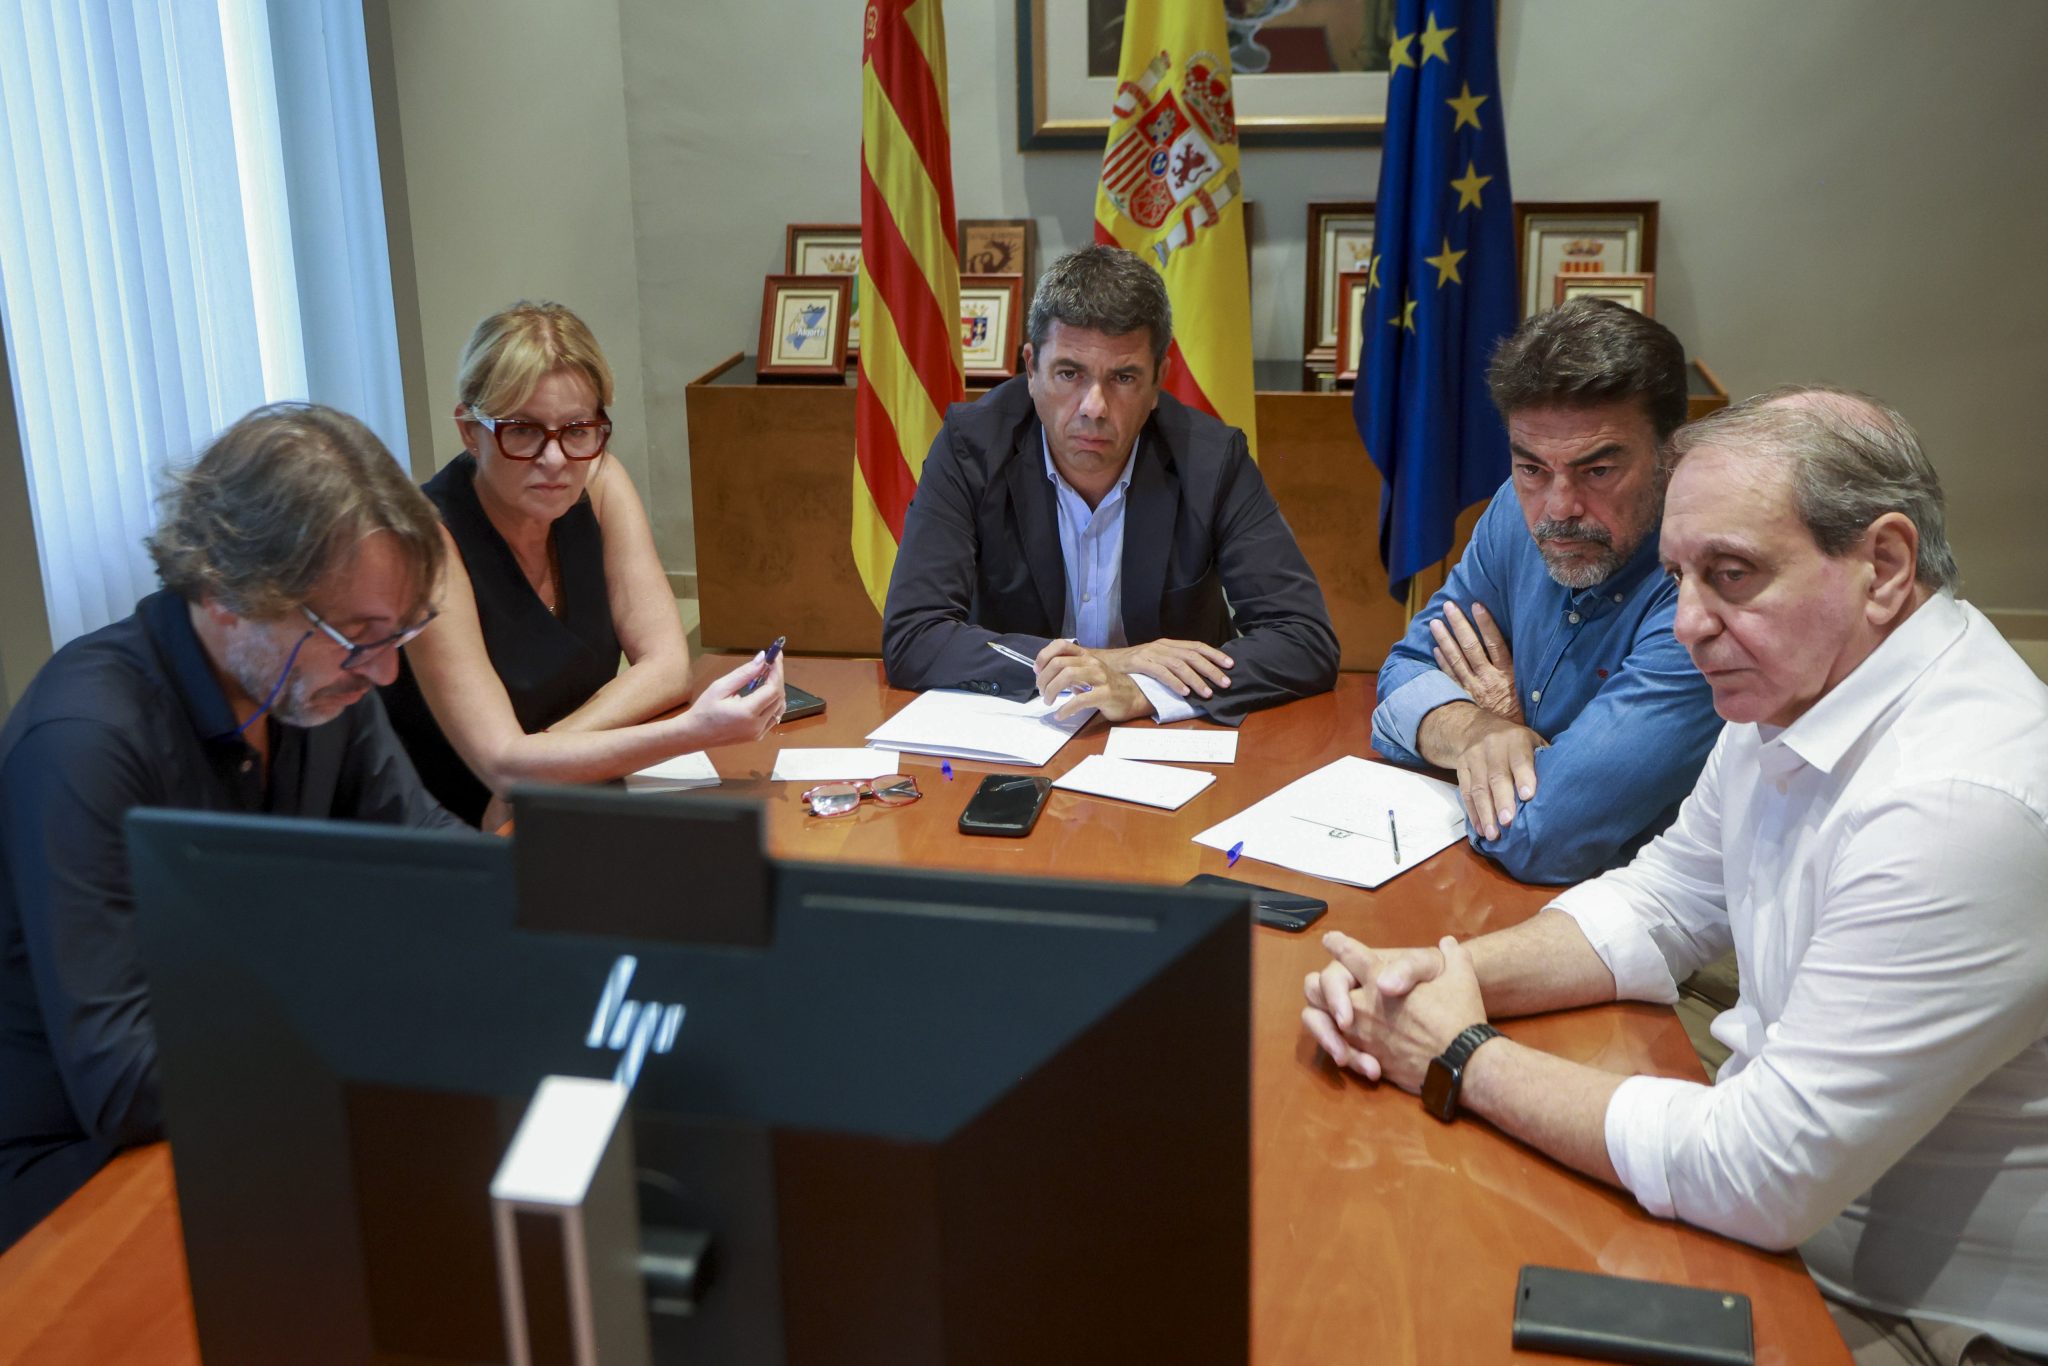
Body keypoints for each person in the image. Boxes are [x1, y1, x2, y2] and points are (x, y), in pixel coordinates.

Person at [1305, 389, 2048, 1363]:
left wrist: (1457, 1055)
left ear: (1884, 566)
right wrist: (1439, 975)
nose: (1689, 623)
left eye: (1730, 575)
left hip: (1910, 1317)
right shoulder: (1797, 681)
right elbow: (1660, 901)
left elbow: (1762, 1171)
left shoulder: (1957, 804)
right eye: (1676, 576)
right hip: (1786, 1233)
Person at [0, 404, 468, 1249]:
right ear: (224, 592)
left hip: (243, 1103)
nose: (386, 671)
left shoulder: (316, 683)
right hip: (73, 1169)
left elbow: (430, 855)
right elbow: (124, 1080)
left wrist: (562, 935)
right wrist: (369, 999)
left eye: (402, 632)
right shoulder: (85, 743)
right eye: (359, 636)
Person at [882, 245, 1338, 725]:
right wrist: (1109, 662)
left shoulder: (1210, 460)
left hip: (1162, 741)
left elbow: (1304, 639)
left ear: (1158, 380)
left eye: (1122, 377)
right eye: (1069, 373)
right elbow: (914, 636)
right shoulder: (972, 448)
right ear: (1031, 369)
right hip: (1020, 732)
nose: (1094, 407)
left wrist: (1144, 691)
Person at [380, 301, 784, 828]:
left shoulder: (599, 482)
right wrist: (693, 731)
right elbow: (499, 766)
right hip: (458, 826)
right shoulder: (426, 541)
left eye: (576, 429)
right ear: (469, 430)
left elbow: (667, 667)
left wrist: (546, 756)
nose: (555, 460)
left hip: (561, 795)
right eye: (522, 430)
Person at [1371, 298, 1722, 883]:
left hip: (1659, 918)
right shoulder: (1515, 511)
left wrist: (1514, 740)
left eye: (1598, 471)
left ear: (1671, 455)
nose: (1558, 509)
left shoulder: (1706, 590)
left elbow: (1542, 834)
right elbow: (1401, 676)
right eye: (1532, 468)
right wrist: (1478, 731)